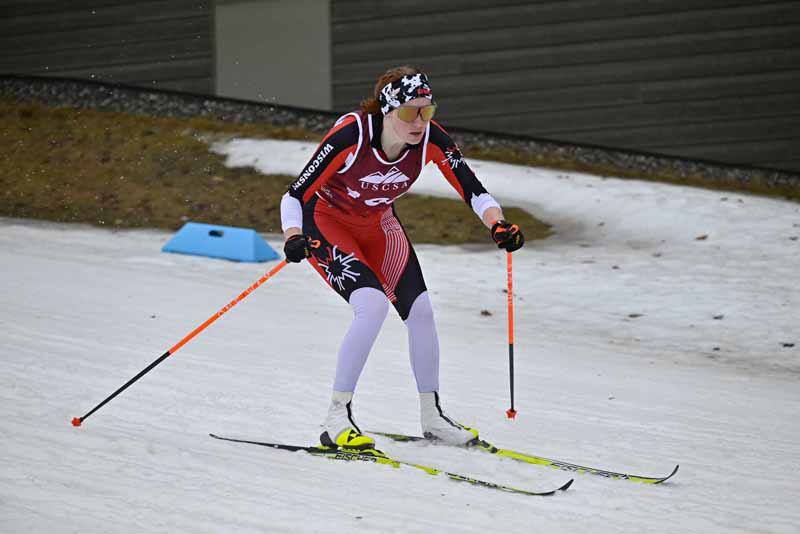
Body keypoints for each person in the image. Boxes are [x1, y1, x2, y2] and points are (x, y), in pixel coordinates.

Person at [280, 66, 524, 450]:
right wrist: (294, 236)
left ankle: (433, 416)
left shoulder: (431, 140)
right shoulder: (351, 135)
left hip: (379, 226)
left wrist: (498, 225)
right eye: (410, 112)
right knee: (371, 306)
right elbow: (294, 194)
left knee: (422, 311)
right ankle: (336, 418)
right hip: (326, 223)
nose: (420, 121)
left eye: (427, 111)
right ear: (387, 111)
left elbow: (474, 190)